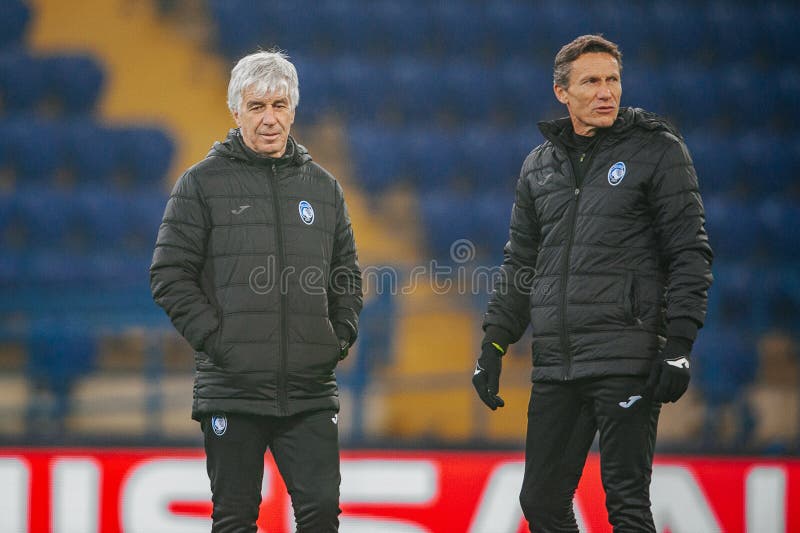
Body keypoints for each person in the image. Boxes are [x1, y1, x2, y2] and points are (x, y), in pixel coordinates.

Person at [472, 35, 713, 532]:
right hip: (558, 361)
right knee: (540, 501)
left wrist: (680, 344)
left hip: (627, 356)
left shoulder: (657, 150)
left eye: (612, 80)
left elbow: (690, 253)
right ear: (562, 92)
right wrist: (495, 342)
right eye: (591, 82)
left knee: (625, 505)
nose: (606, 92)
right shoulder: (539, 166)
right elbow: (520, 262)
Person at [150, 50, 362, 532]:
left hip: (309, 389)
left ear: (293, 109)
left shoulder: (324, 188)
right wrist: (219, 343)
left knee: (321, 514)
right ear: (236, 111)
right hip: (232, 388)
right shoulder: (200, 184)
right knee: (235, 518)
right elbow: (168, 274)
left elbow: (345, 273)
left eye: (280, 105)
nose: (270, 119)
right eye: (257, 106)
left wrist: (340, 336)